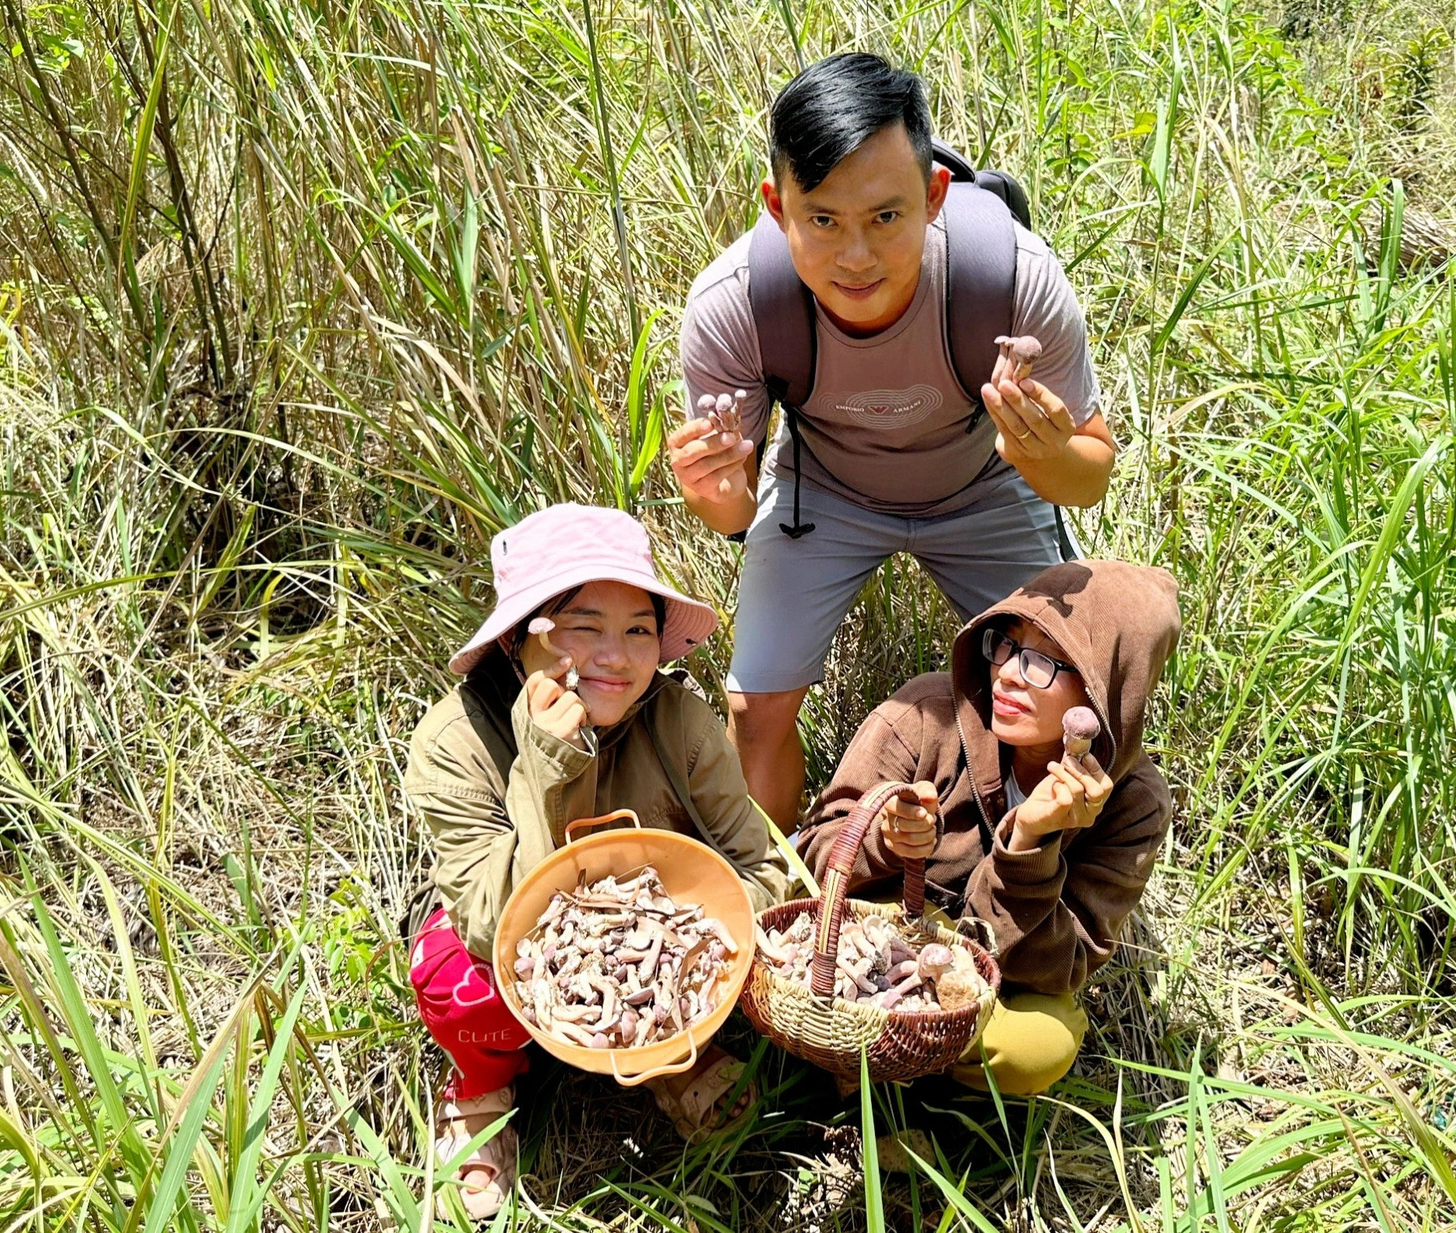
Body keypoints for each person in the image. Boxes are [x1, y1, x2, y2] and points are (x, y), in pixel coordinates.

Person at [669, 51, 1118, 830]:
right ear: (777, 207)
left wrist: (1042, 455)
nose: (855, 256)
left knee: (1058, 691)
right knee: (755, 702)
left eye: (886, 216)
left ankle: (1030, 877)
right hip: (827, 495)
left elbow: (1092, 474)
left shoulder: (1009, 278)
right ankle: (776, 893)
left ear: (934, 195)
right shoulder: (733, 304)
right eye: (823, 220)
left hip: (986, 483)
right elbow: (735, 512)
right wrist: (715, 494)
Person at [401, 504, 793, 1214]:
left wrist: (697, 945)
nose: (617, 655)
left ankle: (675, 1051)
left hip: (654, 950)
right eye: (584, 625)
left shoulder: (679, 722)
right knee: (450, 968)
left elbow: (758, 865)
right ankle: (485, 1086)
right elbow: (496, 927)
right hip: (511, 958)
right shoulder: (453, 742)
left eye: (639, 629)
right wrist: (547, 761)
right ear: (523, 636)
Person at [794, 561, 1180, 1096]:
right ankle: (867, 1051)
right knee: (830, 948)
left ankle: (907, 1064)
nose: (1009, 673)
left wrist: (1028, 847)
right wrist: (884, 842)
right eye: (1007, 642)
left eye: (1047, 660)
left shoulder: (1132, 805)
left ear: (1109, 690)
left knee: (1041, 1044)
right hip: (887, 938)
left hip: (998, 976)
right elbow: (811, 857)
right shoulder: (927, 714)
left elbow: (1061, 967)